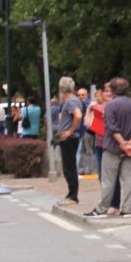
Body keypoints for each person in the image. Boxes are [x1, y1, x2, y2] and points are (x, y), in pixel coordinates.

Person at [90, 78, 131, 217]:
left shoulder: (111, 105)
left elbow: (112, 128)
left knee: (108, 179)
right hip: (129, 148)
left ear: (112, 90)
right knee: (128, 178)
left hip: (112, 147)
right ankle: (127, 209)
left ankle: (102, 209)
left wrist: (122, 143)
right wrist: (129, 143)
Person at [51, 77, 83, 205]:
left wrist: (70, 131)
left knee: (69, 168)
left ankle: (73, 196)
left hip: (69, 138)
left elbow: (78, 115)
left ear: (61, 89)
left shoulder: (71, 101)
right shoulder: (73, 100)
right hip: (68, 137)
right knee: (69, 167)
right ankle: (71, 194)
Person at [75, 86, 96, 175]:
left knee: (88, 150)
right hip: (79, 131)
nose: (81, 96)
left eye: (83, 95)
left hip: (88, 131)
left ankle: (89, 169)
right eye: (79, 95)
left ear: (87, 95)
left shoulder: (91, 104)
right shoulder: (76, 103)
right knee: (80, 151)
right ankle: (81, 168)